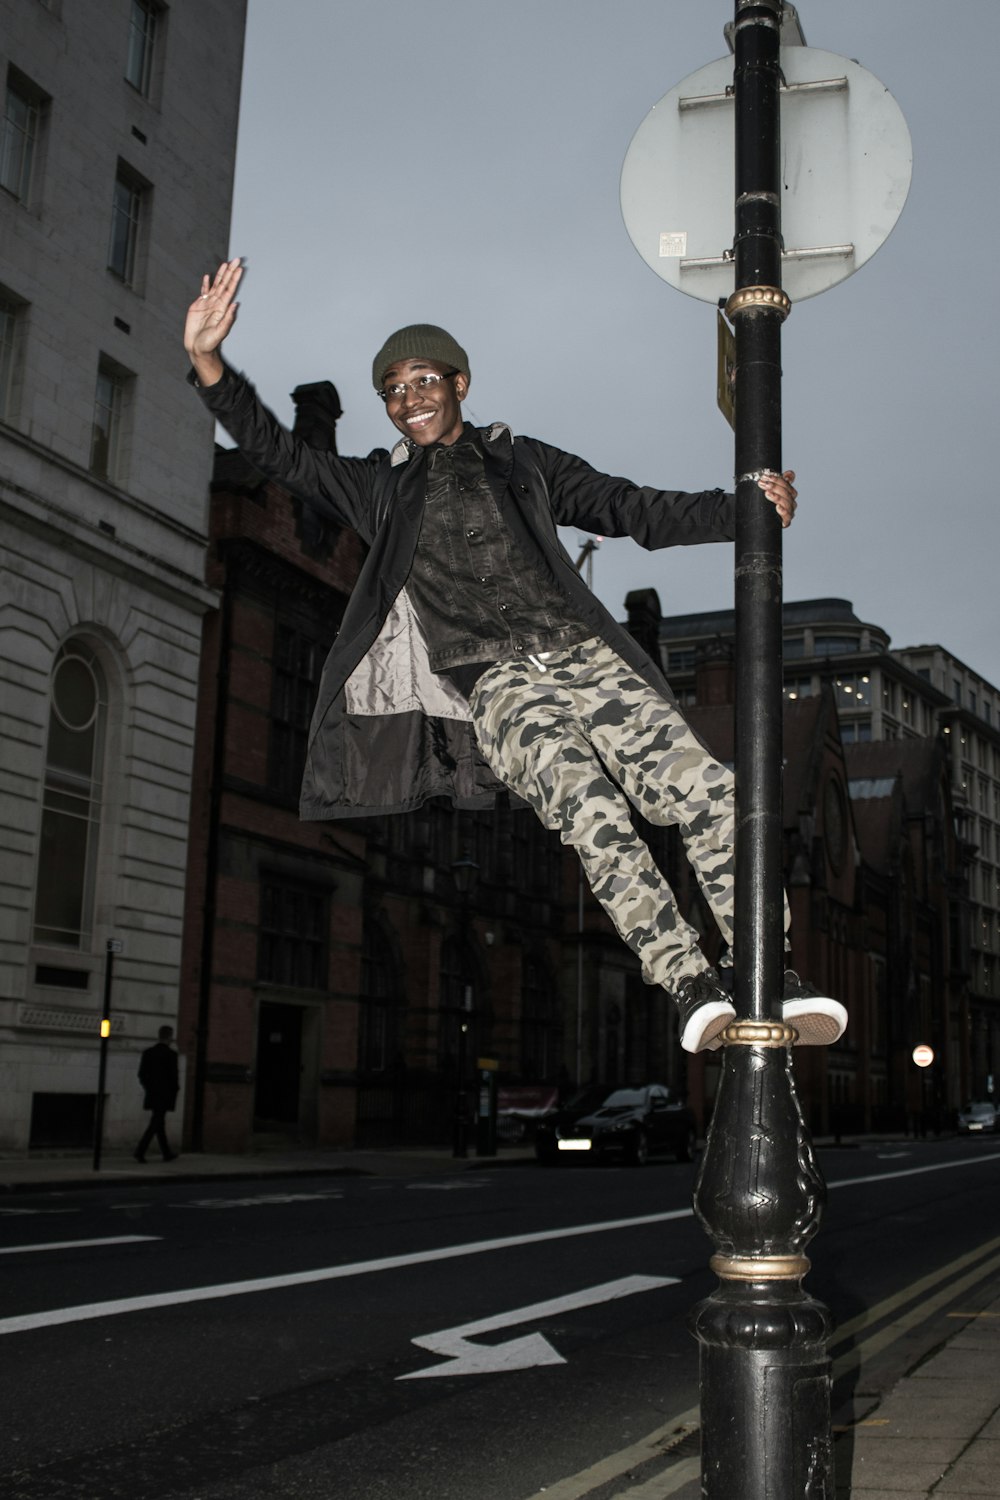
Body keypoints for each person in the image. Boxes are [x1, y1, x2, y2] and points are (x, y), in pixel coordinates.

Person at [183, 258, 846, 1054]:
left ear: (460, 383)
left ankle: (763, 972)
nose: (408, 400)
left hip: (584, 657)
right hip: (496, 686)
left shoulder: (523, 462)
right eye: (391, 391)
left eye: (423, 379)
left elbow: (628, 506)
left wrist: (742, 509)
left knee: (710, 791)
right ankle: (688, 981)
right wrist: (210, 364)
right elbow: (281, 456)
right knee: (590, 812)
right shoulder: (379, 489)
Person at [134, 1025, 180, 1163]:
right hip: (165, 1094)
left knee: (159, 1123)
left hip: (152, 1093)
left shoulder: (148, 1053)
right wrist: (174, 1090)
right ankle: (140, 1151)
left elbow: (141, 1074)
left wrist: (149, 1087)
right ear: (169, 1037)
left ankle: (166, 1153)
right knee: (156, 1123)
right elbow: (174, 1077)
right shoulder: (171, 1055)